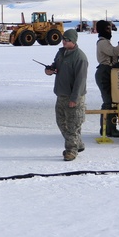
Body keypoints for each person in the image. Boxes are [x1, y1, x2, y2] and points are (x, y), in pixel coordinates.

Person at [44, 28, 88, 161]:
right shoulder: (61, 53)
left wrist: (74, 98)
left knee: (72, 125)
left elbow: (80, 80)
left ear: (73, 41)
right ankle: (77, 143)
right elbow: (56, 66)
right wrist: (49, 70)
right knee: (61, 122)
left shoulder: (80, 58)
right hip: (61, 94)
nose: (64, 42)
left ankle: (71, 150)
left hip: (74, 96)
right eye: (63, 39)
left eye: (67, 40)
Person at [94, 20, 119, 138]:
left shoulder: (106, 42)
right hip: (104, 72)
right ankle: (108, 129)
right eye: (107, 29)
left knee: (111, 101)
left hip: (108, 71)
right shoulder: (102, 43)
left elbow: (115, 55)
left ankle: (107, 128)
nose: (110, 31)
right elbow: (114, 52)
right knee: (109, 102)